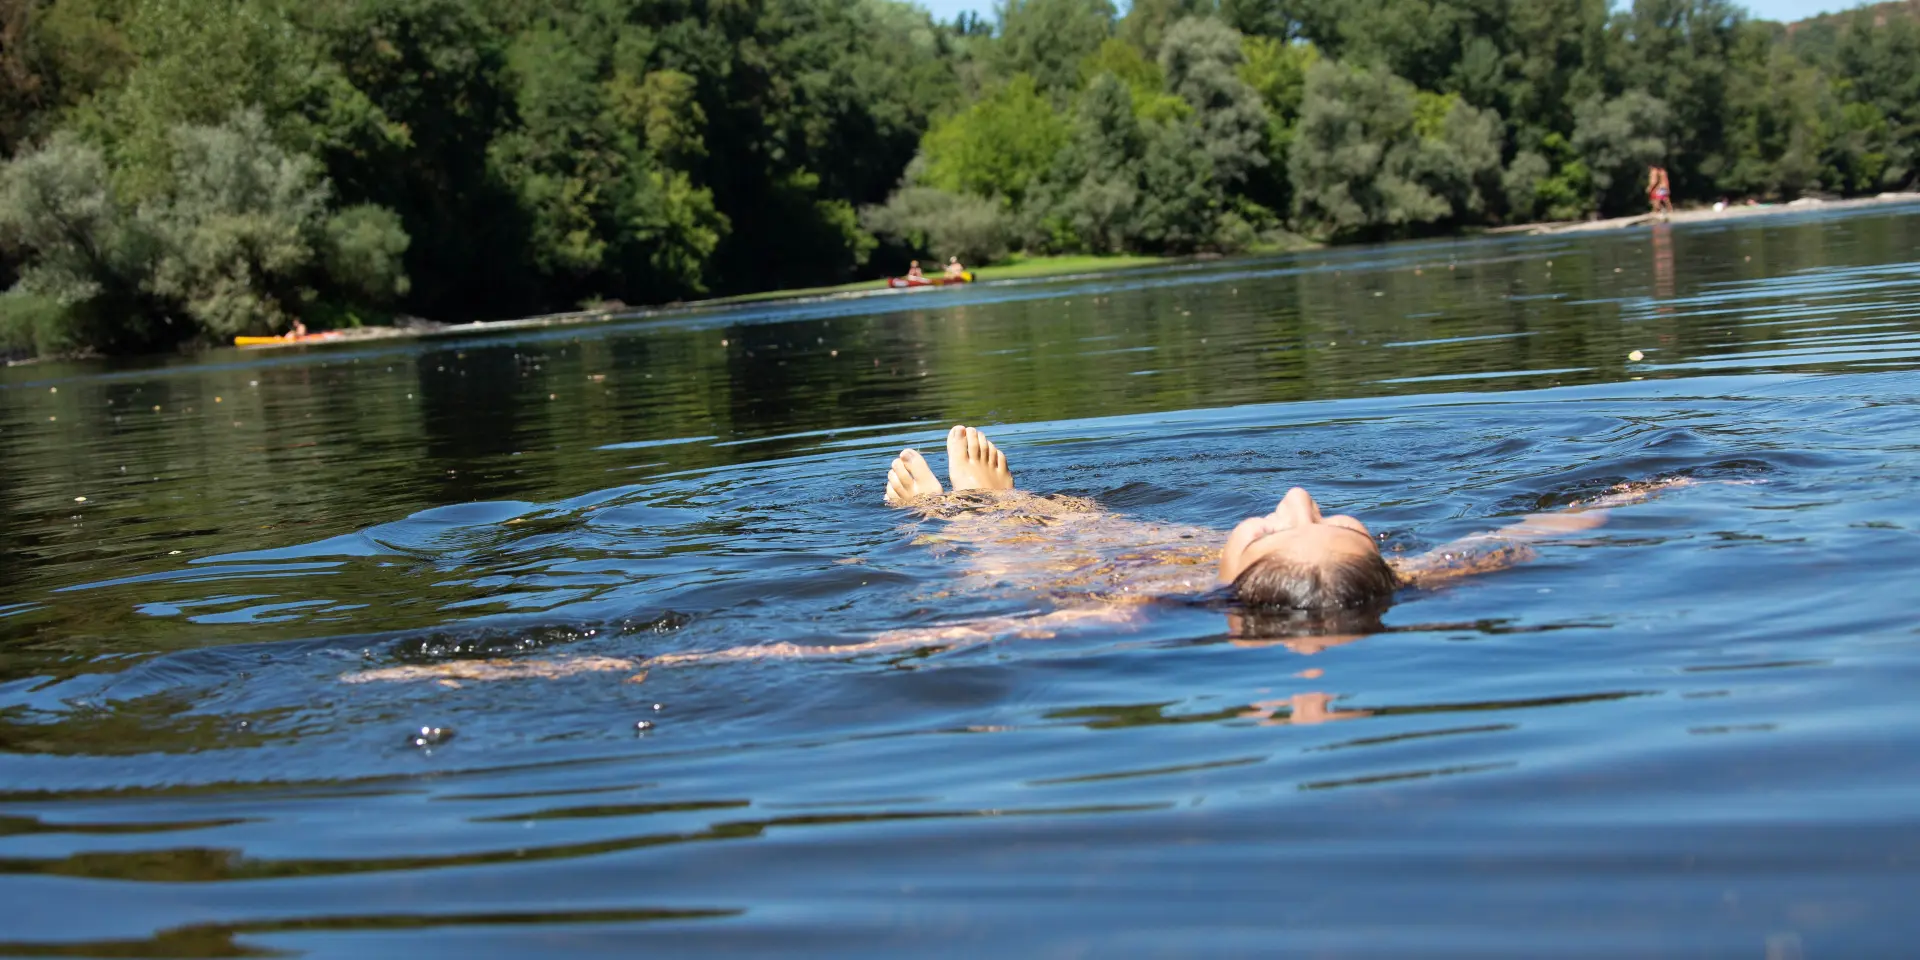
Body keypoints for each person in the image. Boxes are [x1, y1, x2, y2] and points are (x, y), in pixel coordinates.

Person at [345, 426, 1687, 687]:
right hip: (1207, 579)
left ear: (1233, 592)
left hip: (1105, 586)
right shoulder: (1430, 581)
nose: (1293, 484)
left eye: (1282, 515)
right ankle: (1001, 506)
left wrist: (512, 677)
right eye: (1318, 503)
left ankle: (967, 524)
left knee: (1041, 563)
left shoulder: (1146, 615)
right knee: (1095, 525)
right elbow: (1557, 524)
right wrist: (1656, 479)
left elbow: (836, 646)